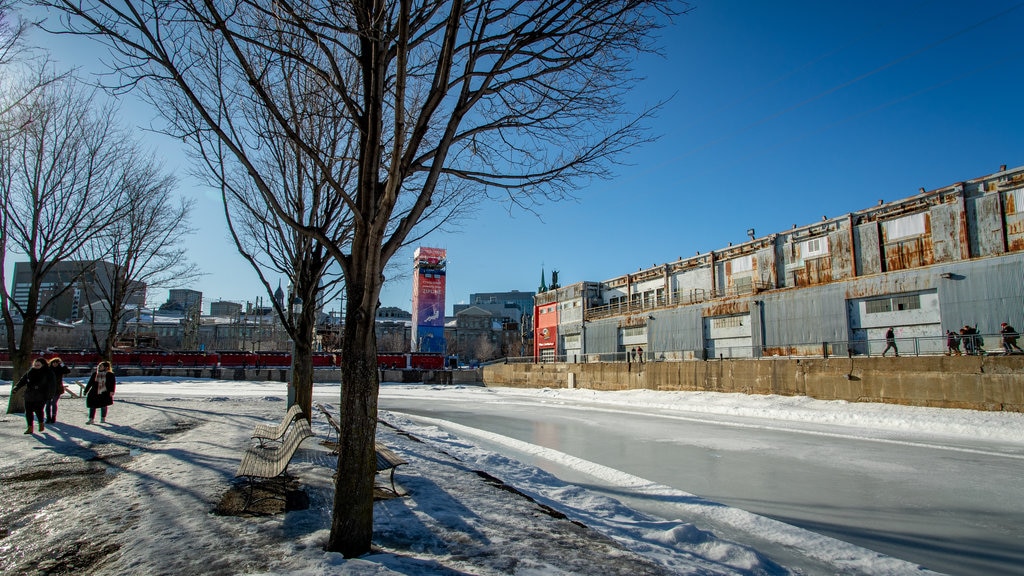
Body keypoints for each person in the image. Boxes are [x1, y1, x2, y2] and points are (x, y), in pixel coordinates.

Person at [12, 358, 54, 434]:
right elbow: (23, 380)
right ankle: (30, 427)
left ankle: (41, 423)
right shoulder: (30, 372)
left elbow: (52, 385)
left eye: (38, 365)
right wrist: (16, 388)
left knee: (38, 410)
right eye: (35, 364)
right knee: (28, 411)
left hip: (41, 395)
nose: (36, 366)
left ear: (43, 365)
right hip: (29, 394)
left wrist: (50, 395)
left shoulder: (48, 372)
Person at [46, 357, 71, 423]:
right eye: (53, 363)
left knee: (54, 403)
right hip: (48, 389)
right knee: (48, 404)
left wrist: (62, 364)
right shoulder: (48, 369)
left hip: (57, 388)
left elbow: (68, 371)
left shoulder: (60, 369)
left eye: (56, 363)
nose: (54, 364)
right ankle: (48, 417)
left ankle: (53, 417)